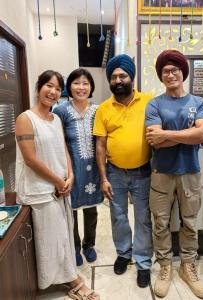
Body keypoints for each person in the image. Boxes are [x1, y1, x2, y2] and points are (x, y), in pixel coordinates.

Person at [15, 70, 99, 300]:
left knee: (62, 234)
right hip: (41, 191)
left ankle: (66, 274)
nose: (52, 92)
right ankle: (72, 280)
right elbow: (31, 159)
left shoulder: (56, 118)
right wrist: (59, 181)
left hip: (61, 187)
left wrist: (70, 175)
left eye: (56, 88)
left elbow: (63, 149)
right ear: (38, 86)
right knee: (51, 238)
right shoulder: (26, 118)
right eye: (48, 86)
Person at [145, 50, 203, 299]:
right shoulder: (155, 104)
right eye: (165, 71)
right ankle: (165, 266)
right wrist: (189, 134)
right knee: (160, 222)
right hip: (161, 172)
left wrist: (168, 135)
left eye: (174, 70)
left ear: (183, 72)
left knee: (190, 222)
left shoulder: (199, 103)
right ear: (161, 76)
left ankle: (187, 266)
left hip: (190, 171)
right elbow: (154, 140)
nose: (170, 74)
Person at [93, 54, 153, 288]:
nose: (118, 80)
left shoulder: (149, 101)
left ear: (131, 77)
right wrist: (103, 177)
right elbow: (100, 145)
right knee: (118, 216)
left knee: (142, 218)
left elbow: (166, 122)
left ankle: (143, 261)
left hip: (143, 171)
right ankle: (123, 253)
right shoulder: (104, 109)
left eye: (123, 76)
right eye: (114, 76)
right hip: (115, 172)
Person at [53, 68, 103, 266]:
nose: (81, 87)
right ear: (69, 86)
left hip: (94, 168)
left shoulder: (98, 110)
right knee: (70, 210)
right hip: (70, 169)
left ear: (91, 87)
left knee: (91, 210)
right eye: (76, 83)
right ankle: (74, 248)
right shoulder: (61, 111)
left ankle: (88, 245)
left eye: (85, 83)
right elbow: (58, 142)